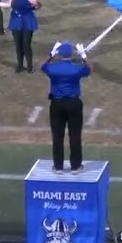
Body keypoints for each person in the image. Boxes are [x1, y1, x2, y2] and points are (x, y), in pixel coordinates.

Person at [41, 41, 91, 173]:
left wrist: (51, 54)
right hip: (74, 104)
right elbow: (88, 70)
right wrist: (83, 56)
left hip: (57, 104)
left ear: (60, 54)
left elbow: (43, 66)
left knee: (57, 136)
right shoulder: (76, 69)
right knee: (75, 136)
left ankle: (58, 167)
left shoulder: (53, 69)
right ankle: (75, 166)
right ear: (71, 54)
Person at [0, 0, 40, 72]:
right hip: (16, 21)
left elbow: (37, 5)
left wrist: (30, 9)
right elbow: (9, 4)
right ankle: (20, 65)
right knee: (18, 45)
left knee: (26, 45)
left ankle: (29, 67)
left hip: (27, 21)